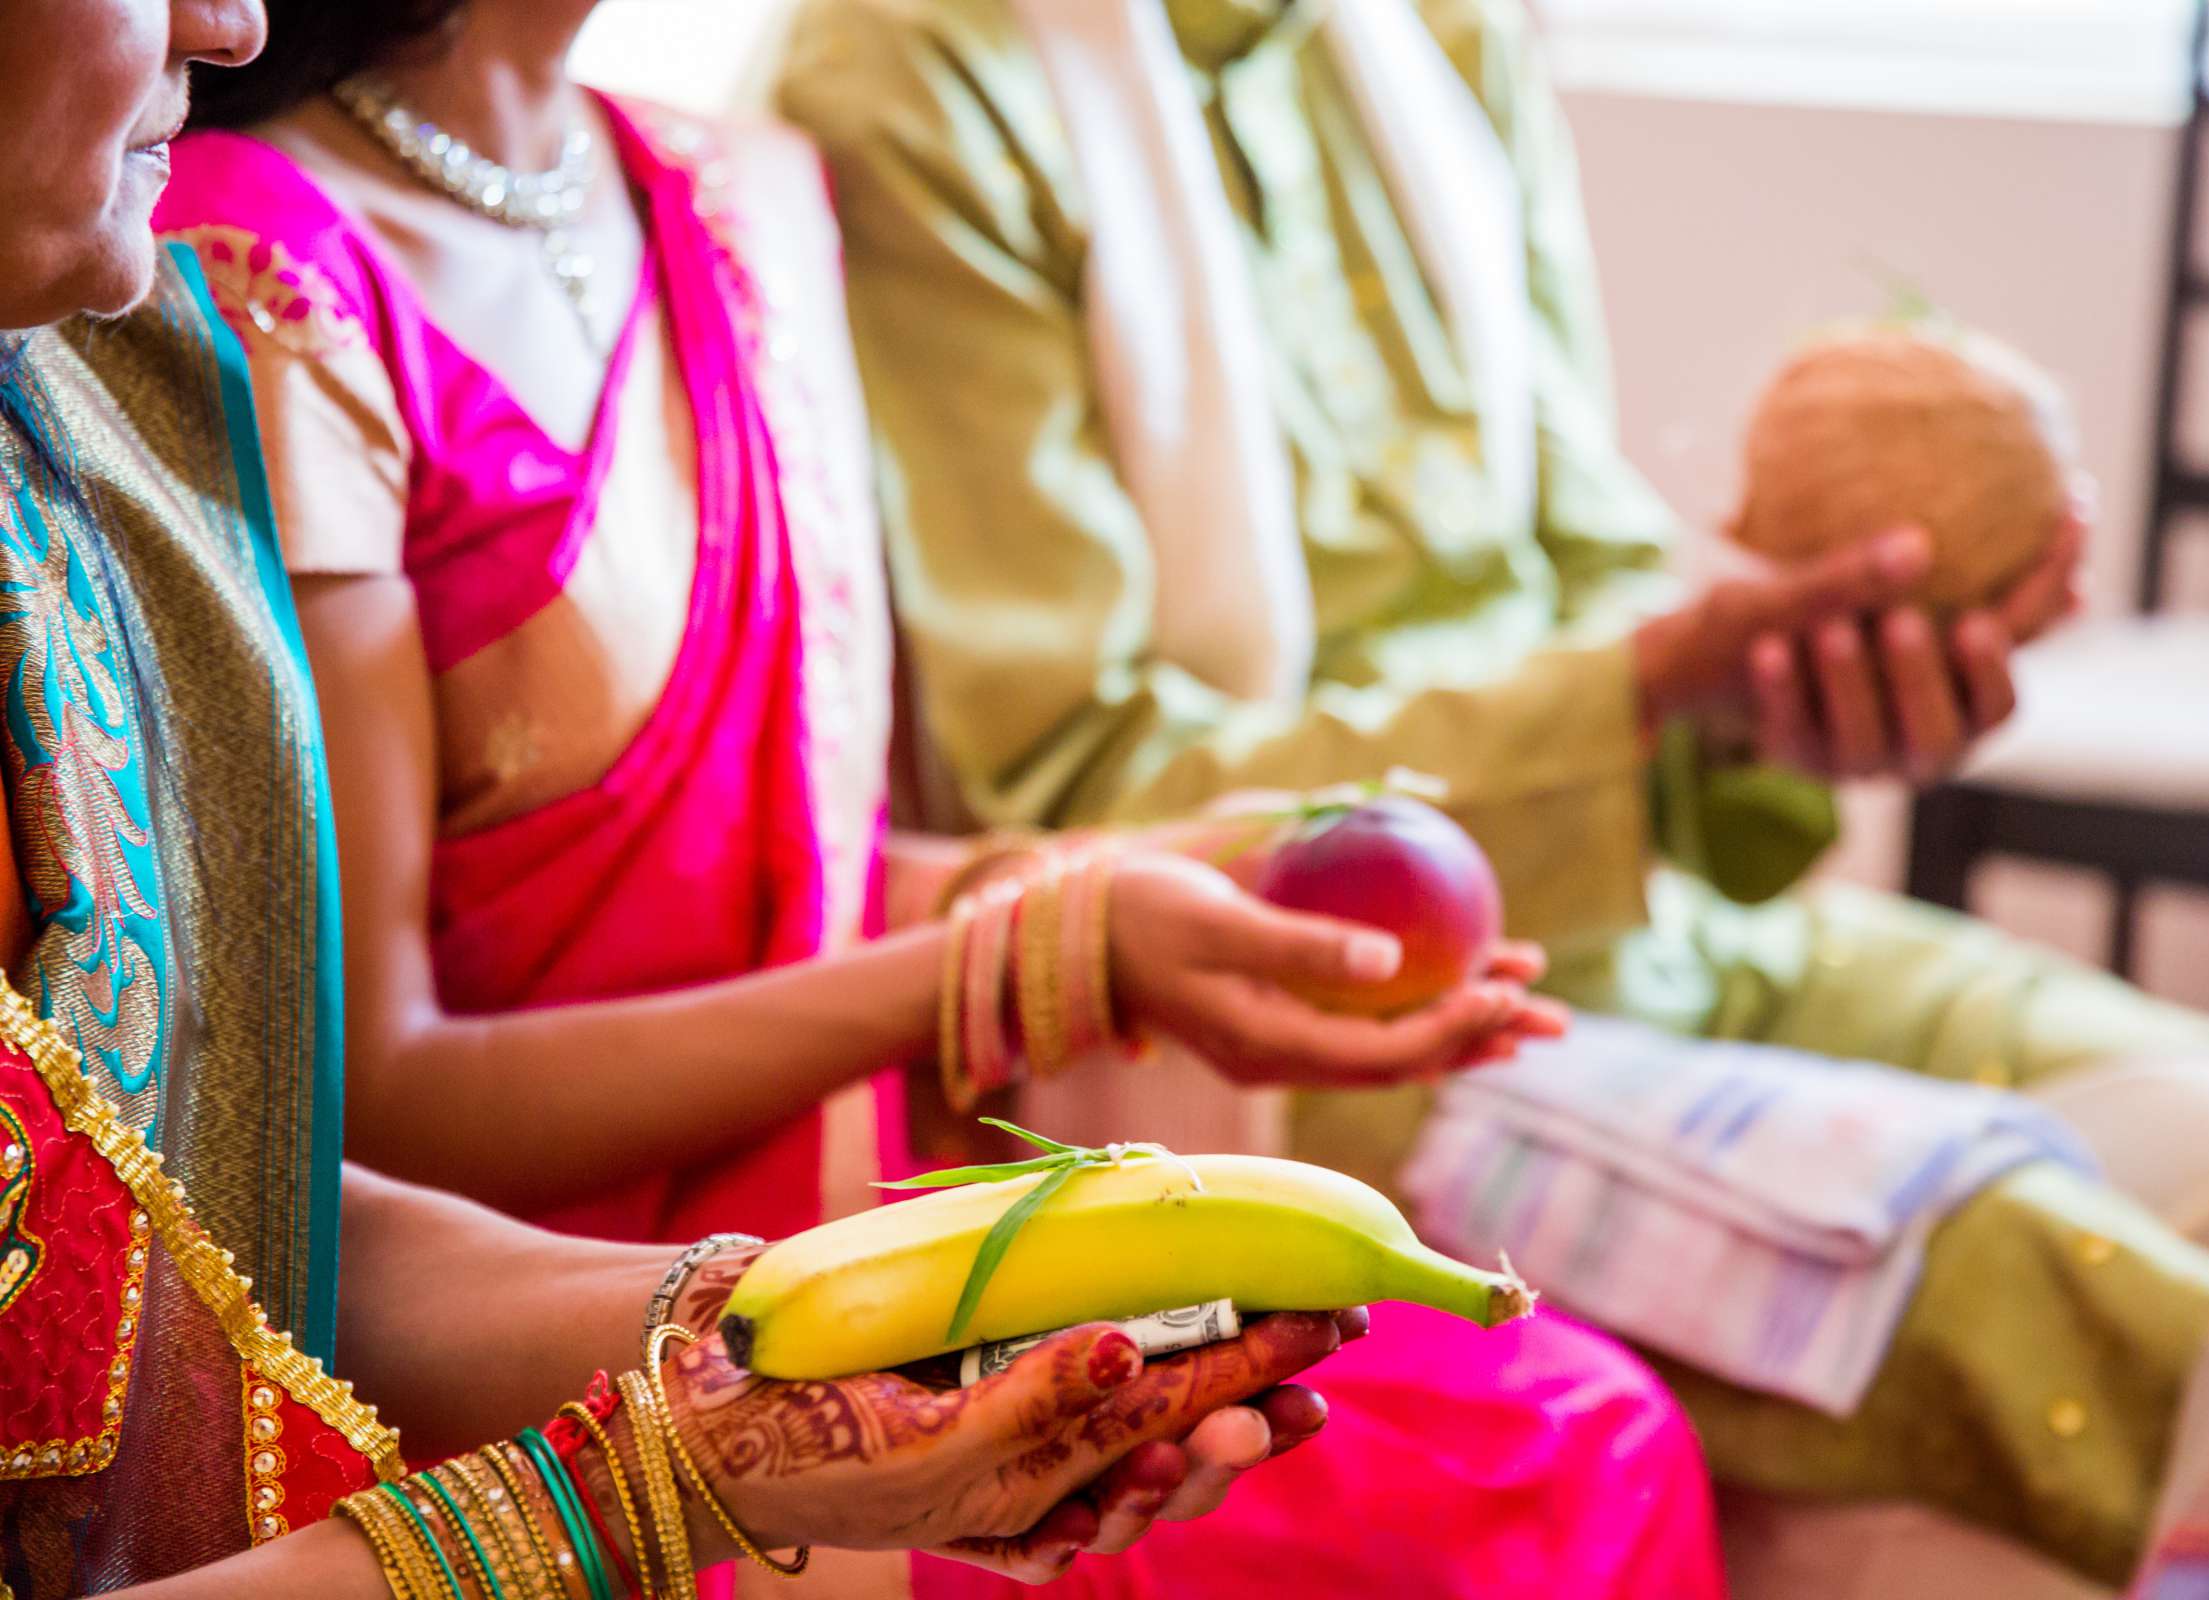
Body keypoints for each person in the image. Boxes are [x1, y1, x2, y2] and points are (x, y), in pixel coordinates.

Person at [154, 3, 1731, 1597]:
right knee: (1533, 1467)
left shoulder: (729, 192)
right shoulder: (253, 263)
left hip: (859, 1213)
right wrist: (1035, 956)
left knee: (1568, 1425)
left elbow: (772, 870)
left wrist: (1143, 912)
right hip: (562, 1347)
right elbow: (368, 1098)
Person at [768, 0, 2209, 1591]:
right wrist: (1646, 683)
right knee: (2036, 1288)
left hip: (1632, 919)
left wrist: (1766, 700)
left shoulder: (1440, 30)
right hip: (1296, 1020)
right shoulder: (920, 76)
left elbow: (1590, 570)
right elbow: (1074, 791)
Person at [0, 1, 1351, 1594]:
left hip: (628, 1273)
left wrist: (785, 1349)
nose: (227, 21)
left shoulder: (76, 414)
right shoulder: (234, 274)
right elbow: (366, 1087)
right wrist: (663, 1472)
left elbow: (225, 1222)